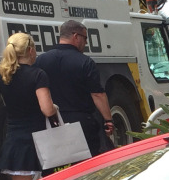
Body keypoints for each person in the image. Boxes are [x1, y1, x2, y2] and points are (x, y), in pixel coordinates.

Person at [0, 31, 59, 180]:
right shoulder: (38, 75)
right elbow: (47, 109)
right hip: (39, 142)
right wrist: (55, 108)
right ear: (31, 51)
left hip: (15, 143)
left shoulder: (4, 77)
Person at [36, 20, 115, 156]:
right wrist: (108, 120)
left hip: (52, 122)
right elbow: (97, 94)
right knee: (87, 165)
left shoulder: (41, 60)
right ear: (75, 36)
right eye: (85, 38)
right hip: (82, 123)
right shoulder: (85, 62)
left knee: (59, 163)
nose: (86, 43)